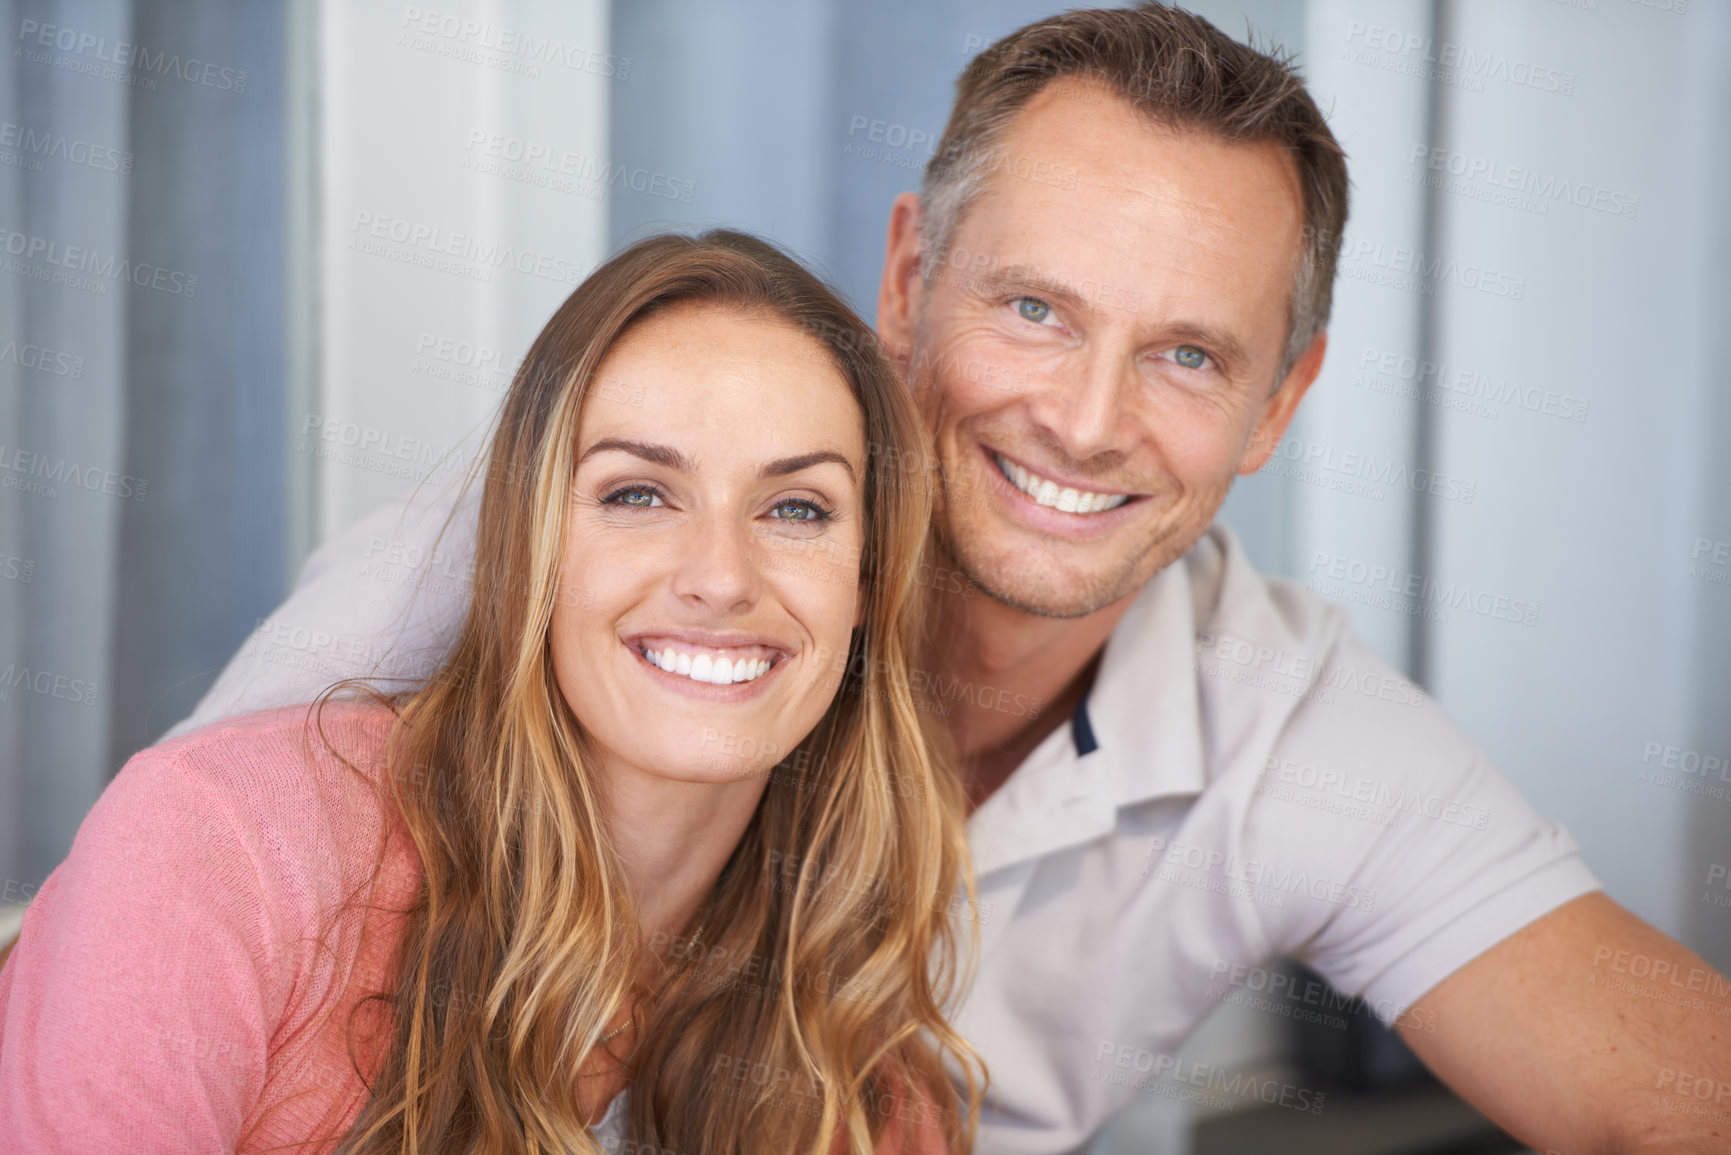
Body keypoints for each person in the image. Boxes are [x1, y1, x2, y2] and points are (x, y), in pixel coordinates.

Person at [77, 5, 1731, 1153]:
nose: (1085, 421)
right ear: (908, 277)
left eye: (1183, 354)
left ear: (1275, 408)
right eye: (1034, 311)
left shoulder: (1269, 745)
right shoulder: (532, 551)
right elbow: (155, 931)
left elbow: (1666, 1087)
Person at [0, 231, 984, 1153]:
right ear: (529, 547)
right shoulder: (223, 847)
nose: (720, 577)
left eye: (796, 507)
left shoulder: (871, 1096)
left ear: (864, 585)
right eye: (636, 494)